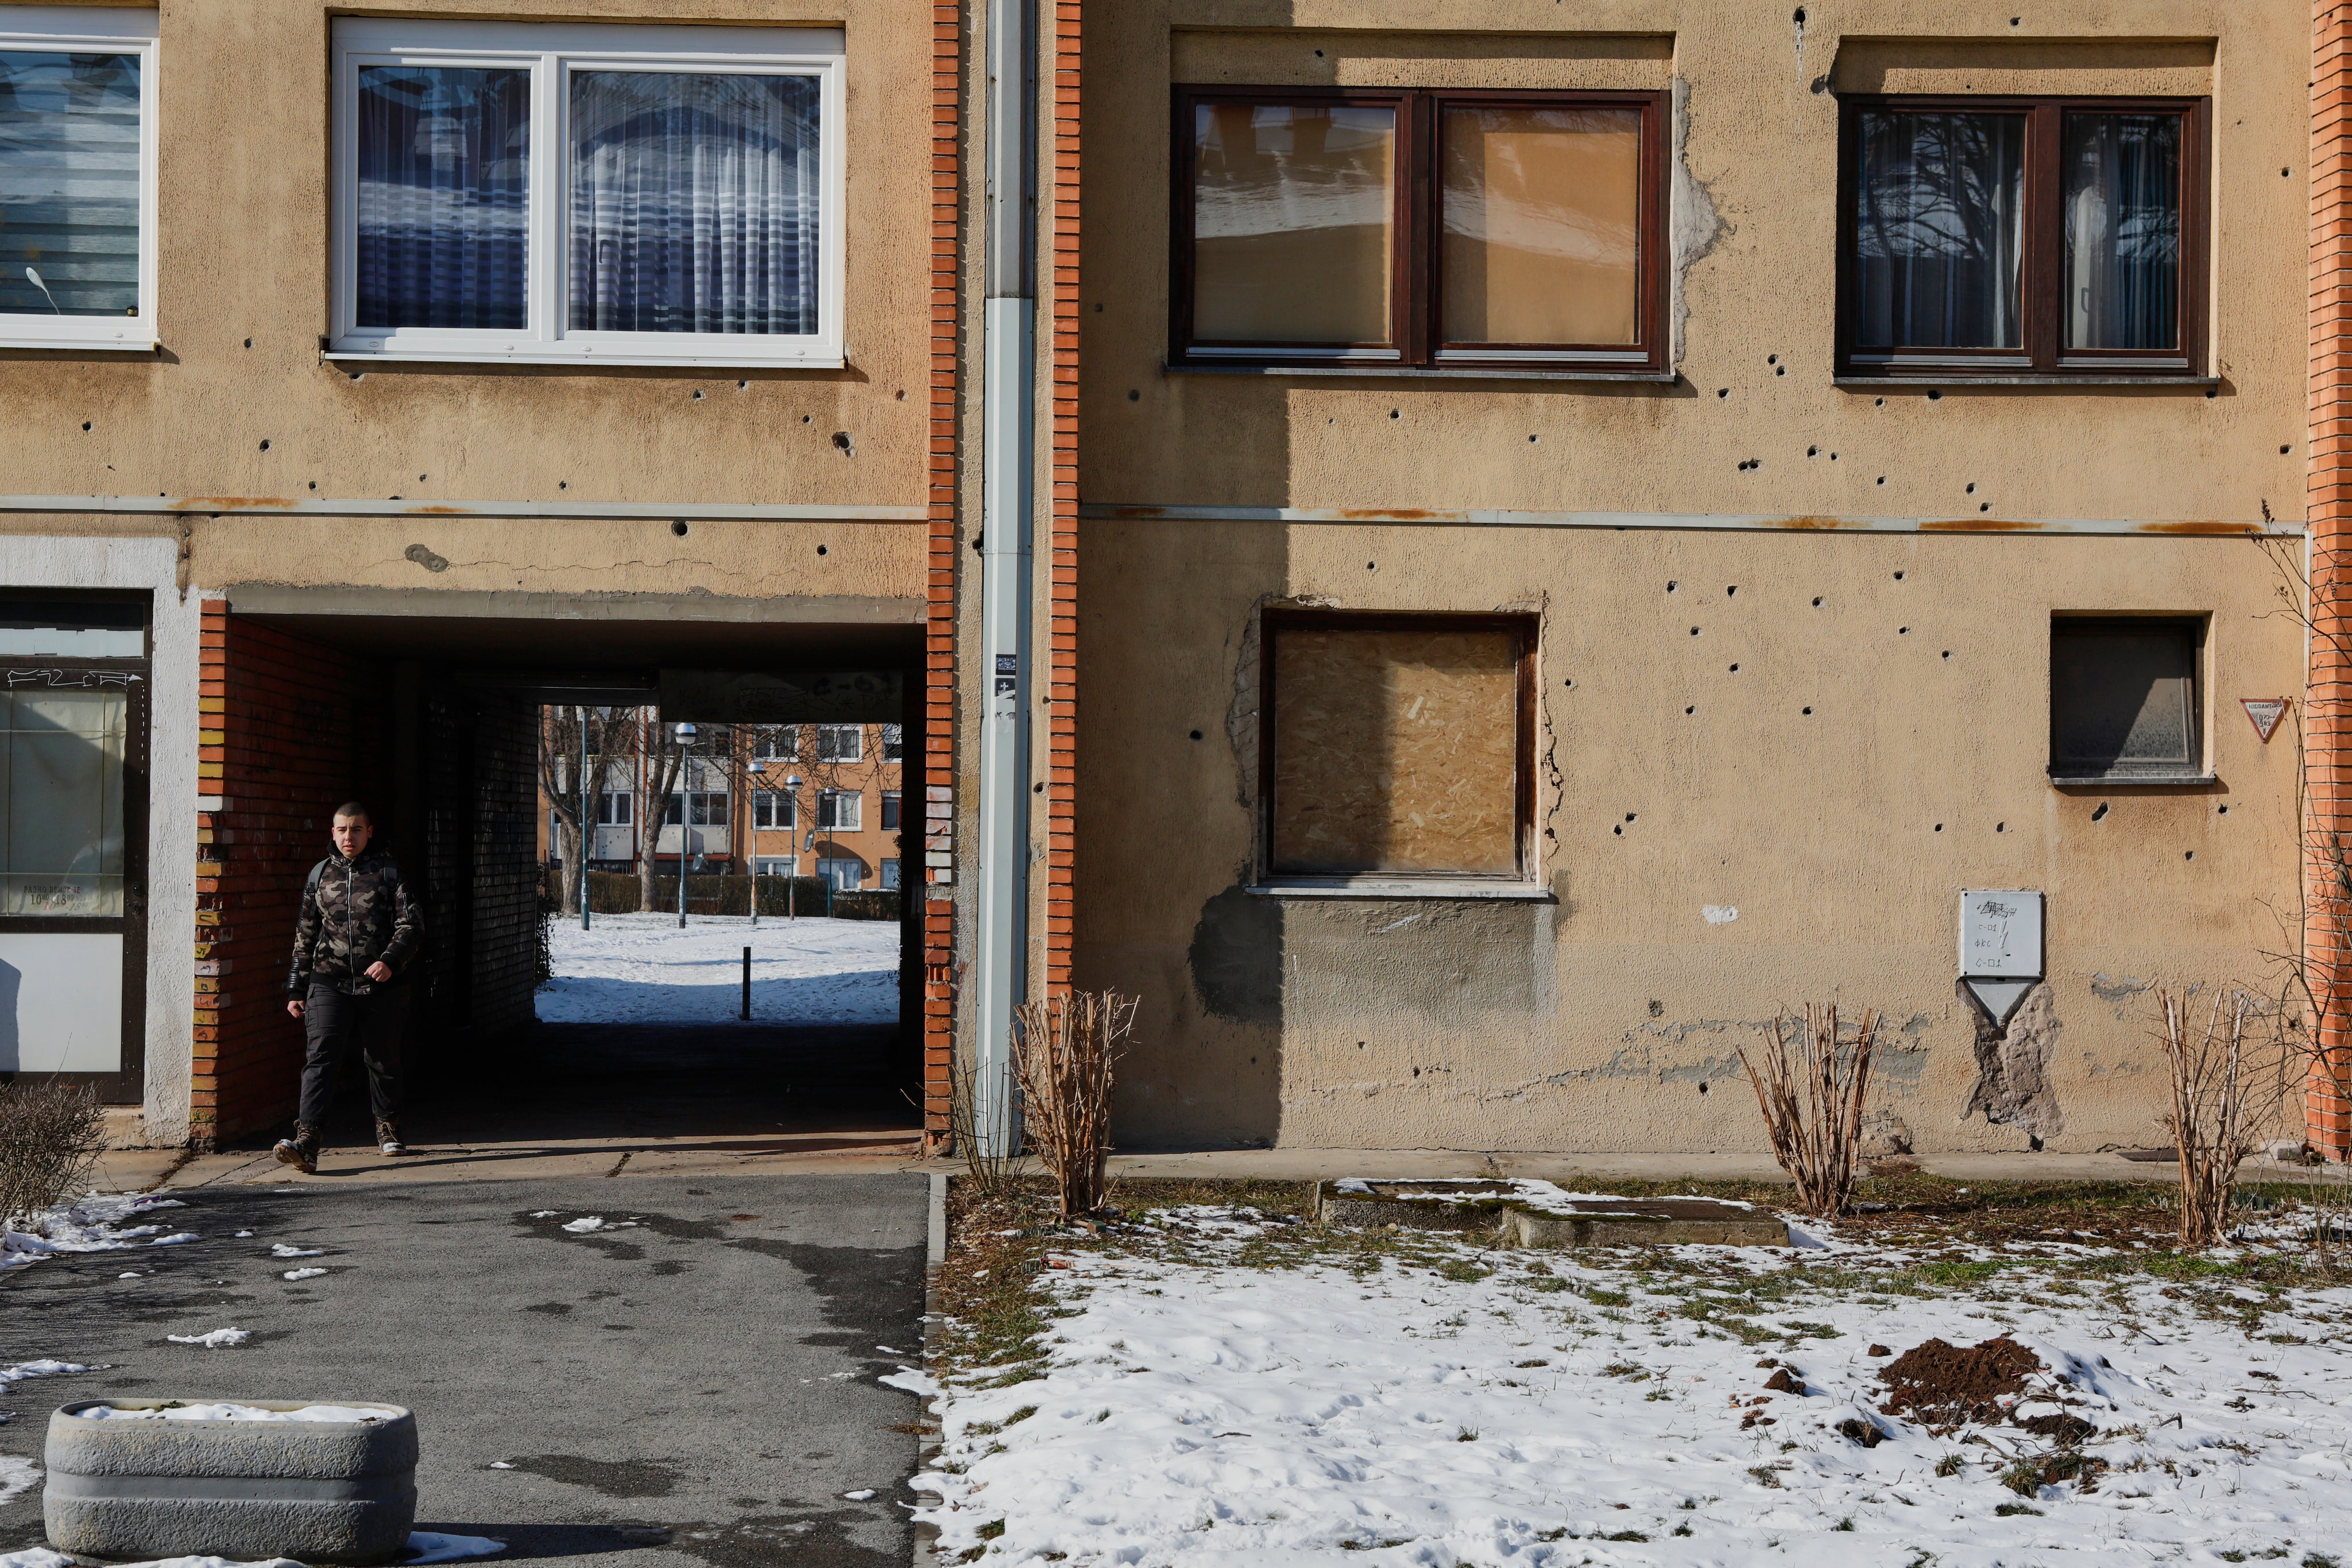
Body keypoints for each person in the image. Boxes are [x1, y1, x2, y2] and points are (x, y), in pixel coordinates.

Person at [274, 802, 424, 1173]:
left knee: (382, 1057)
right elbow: (305, 934)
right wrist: (296, 987)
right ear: (333, 832)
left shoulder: (389, 873)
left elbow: (413, 925)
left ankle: (388, 1126)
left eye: (356, 829)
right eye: (342, 829)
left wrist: (390, 962)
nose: (348, 836)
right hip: (329, 981)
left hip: (381, 984)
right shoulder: (320, 875)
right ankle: (307, 1142)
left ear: (369, 831)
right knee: (321, 1058)